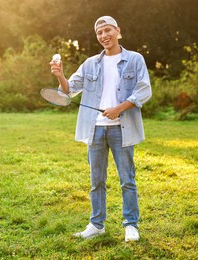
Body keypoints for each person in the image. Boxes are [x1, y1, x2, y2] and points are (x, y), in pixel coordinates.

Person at [50, 16, 152, 242]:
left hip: (122, 129)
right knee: (96, 180)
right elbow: (68, 91)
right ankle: (97, 224)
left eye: (108, 30)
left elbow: (144, 90)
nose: (104, 36)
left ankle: (131, 225)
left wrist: (118, 108)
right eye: (99, 33)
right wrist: (60, 75)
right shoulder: (89, 64)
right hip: (95, 129)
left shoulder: (135, 59)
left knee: (127, 179)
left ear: (118, 31)